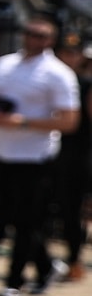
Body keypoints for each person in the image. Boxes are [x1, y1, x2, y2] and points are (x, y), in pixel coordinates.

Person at [0, 15, 80, 296]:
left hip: (35, 157)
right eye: (29, 33)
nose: (33, 39)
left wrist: (22, 123)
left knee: (28, 221)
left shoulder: (58, 73)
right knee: (12, 217)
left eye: (40, 35)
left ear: (51, 40)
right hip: (3, 152)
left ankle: (15, 279)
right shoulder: (5, 64)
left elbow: (70, 120)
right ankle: (46, 267)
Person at [51, 31, 92, 281]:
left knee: (72, 209)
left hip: (76, 154)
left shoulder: (85, 84)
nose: (70, 58)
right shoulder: (50, 79)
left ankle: (74, 259)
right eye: (66, 52)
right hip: (49, 150)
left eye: (75, 54)